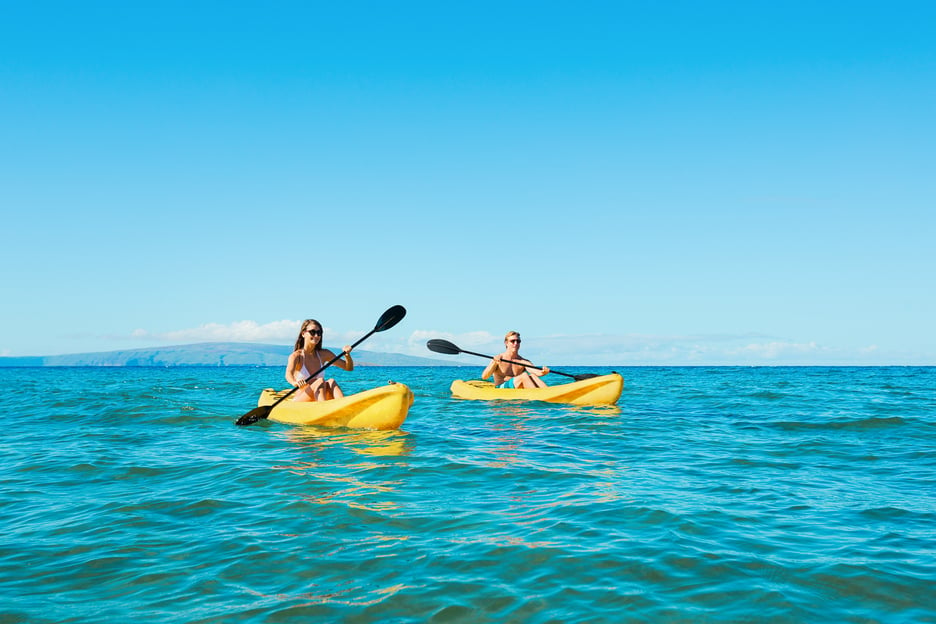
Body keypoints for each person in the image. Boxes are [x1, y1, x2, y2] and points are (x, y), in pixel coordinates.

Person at [285, 319, 353, 401]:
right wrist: (294, 382)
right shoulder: (296, 356)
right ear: (303, 334)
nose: (316, 335)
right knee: (320, 381)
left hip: (318, 397)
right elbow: (288, 374)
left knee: (331, 381)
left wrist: (347, 355)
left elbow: (348, 368)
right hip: (301, 399)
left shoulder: (324, 354)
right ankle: (323, 407)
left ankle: (343, 406)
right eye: (312, 332)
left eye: (319, 333)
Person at [482, 331, 550, 389]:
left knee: (533, 376)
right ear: (506, 343)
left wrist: (543, 372)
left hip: (515, 388)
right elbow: (484, 376)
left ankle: (548, 393)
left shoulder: (523, 361)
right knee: (524, 375)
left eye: (518, 341)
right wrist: (494, 363)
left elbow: (535, 371)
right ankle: (536, 397)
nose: (516, 343)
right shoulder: (498, 358)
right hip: (501, 388)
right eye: (512, 341)